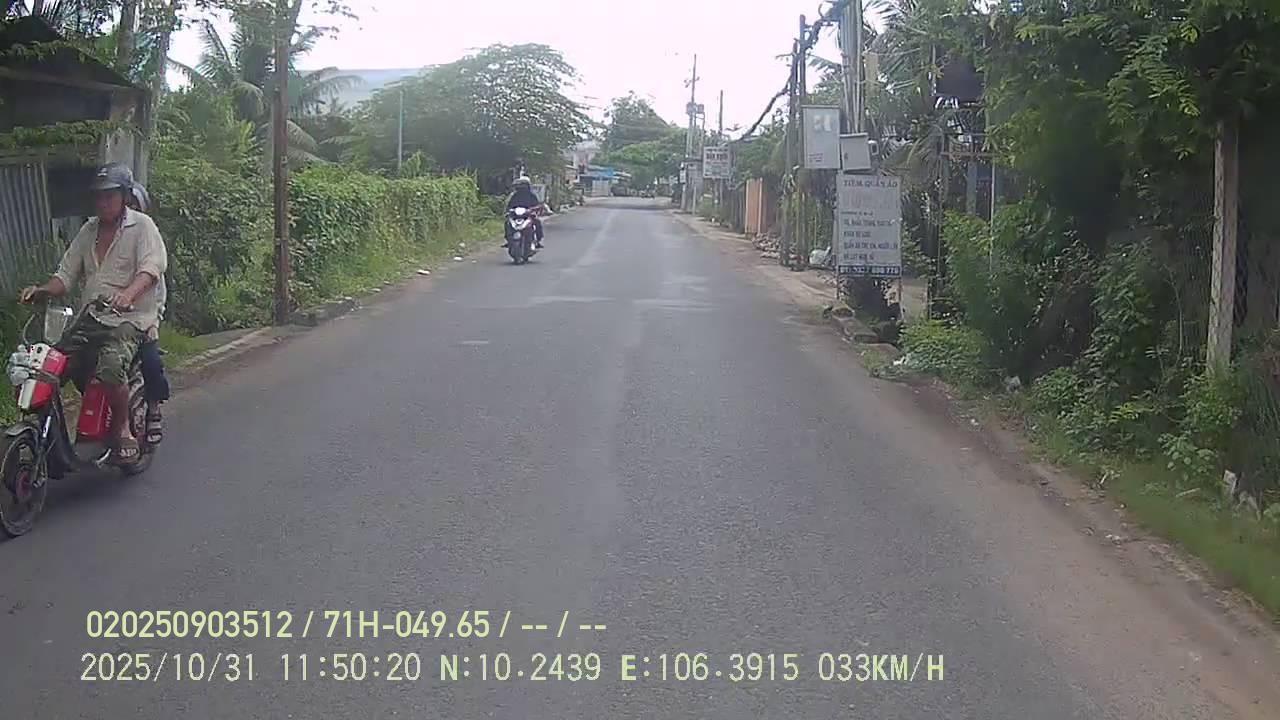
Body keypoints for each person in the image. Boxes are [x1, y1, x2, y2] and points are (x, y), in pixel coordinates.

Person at [19, 163, 168, 465]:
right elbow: (65, 276)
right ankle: (48, 434)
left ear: (124, 196)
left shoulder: (142, 227)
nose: (102, 202)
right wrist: (42, 290)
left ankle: (123, 430)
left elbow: (151, 268)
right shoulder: (88, 230)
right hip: (90, 318)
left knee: (111, 367)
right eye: (98, 196)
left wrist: (128, 295)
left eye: (109, 196)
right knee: (47, 364)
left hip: (129, 320)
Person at [124, 183, 169, 445]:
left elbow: (158, 289)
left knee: (151, 361)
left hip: (143, 319)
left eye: (133, 205)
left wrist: (154, 321)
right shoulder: (101, 237)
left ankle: (153, 408)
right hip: (110, 318)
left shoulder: (148, 238)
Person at [505, 175, 545, 248]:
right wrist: (509, 211)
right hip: (516, 214)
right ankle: (509, 239)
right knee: (507, 223)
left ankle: (538, 240)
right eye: (520, 185)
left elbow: (537, 204)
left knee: (537, 221)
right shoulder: (514, 195)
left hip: (528, 214)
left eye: (523, 185)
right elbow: (509, 205)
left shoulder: (532, 195)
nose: (522, 187)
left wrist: (533, 209)